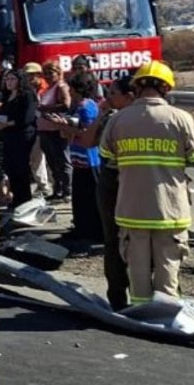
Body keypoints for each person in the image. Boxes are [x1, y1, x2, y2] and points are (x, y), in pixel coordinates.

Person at [99, 62, 194, 305]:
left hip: (131, 209)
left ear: (136, 87)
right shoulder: (180, 118)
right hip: (169, 210)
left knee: (137, 270)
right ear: (166, 88)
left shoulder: (118, 120)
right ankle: (166, 316)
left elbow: (106, 157)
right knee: (168, 267)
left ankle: (140, 315)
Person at [89, 75, 136, 310]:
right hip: (112, 180)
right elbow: (88, 141)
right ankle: (117, 296)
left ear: (129, 96)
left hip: (129, 180)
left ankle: (139, 295)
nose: (108, 98)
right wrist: (99, 115)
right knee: (113, 240)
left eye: (113, 94)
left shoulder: (131, 120)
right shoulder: (110, 118)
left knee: (137, 240)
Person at [53, 72, 104, 244]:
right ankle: (82, 227)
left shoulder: (86, 107)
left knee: (90, 196)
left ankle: (94, 230)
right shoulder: (79, 106)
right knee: (80, 196)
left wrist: (64, 127)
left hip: (89, 159)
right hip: (78, 157)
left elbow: (87, 133)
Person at [0, 68, 37, 209]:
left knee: (21, 167)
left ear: (20, 81)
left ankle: (24, 200)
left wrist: (8, 123)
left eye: (12, 79)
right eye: (7, 79)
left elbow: (27, 117)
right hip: (8, 135)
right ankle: (15, 198)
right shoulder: (7, 95)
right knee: (10, 168)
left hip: (22, 135)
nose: (9, 82)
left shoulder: (27, 95)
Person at [37, 60, 72, 202]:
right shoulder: (48, 88)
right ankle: (57, 189)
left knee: (62, 160)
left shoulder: (61, 86)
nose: (47, 76)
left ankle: (67, 190)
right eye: (45, 74)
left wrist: (46, 109)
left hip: (57, 129)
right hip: (45, 129)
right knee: (52, 162)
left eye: (50, 73)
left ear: (58, 73)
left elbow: (66, 105)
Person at [23, 62, 52, 198]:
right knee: (37, 158)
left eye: (31, 75)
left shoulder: (45, 89)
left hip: (47, 127)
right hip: (35, 127)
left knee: (45, 158)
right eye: (26, 75)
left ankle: (48, 186)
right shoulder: (27, 90)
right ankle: (43, 185)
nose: (28, 78)